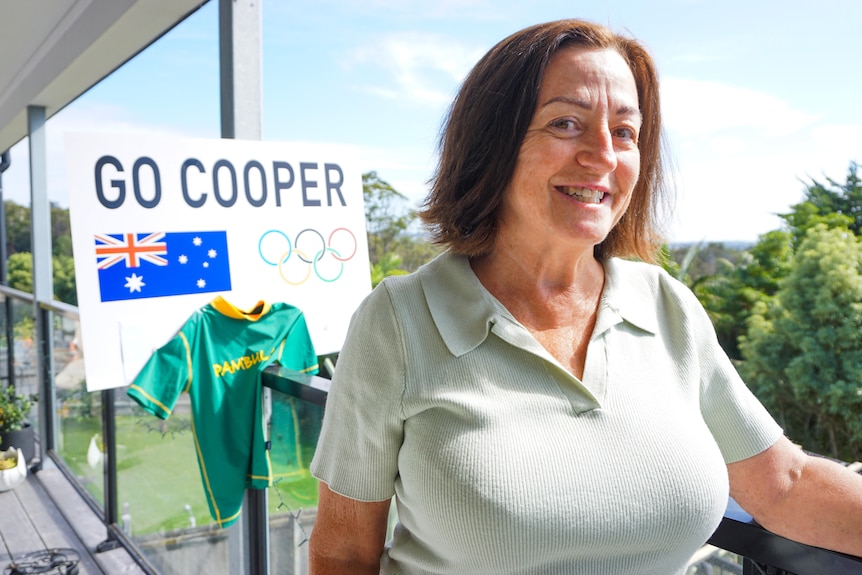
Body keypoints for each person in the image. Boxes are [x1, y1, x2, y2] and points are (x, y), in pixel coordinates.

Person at [308, 18, 862, 575]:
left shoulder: (666, 306)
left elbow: (783, 485)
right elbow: (342, 555)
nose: (602, 154)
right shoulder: (399, 322)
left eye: (624, 132)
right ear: (492, 144)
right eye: (566, 123)